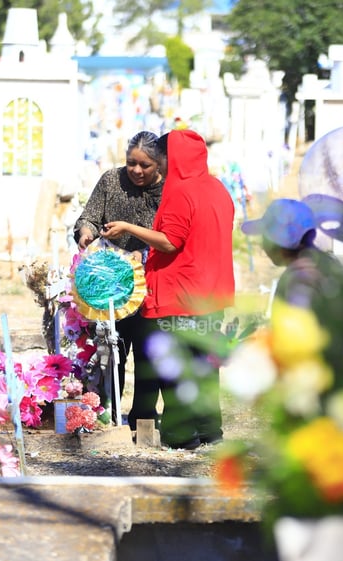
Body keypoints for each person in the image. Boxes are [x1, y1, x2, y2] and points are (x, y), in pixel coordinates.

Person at [102, 129, 235, 449]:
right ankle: (210, 431)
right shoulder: (217, 188)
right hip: (211, 292)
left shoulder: (181, 191)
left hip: (179, 292)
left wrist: (127, 227)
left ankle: (181, 435)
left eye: (164, 156)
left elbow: (170, 241)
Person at [72, 131, 165, 420]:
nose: (136, 170)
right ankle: (107, 414)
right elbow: (88, 216)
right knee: (111, 349)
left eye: (144, 165)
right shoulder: (112, 181)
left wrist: (145, 254)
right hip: (110, 282)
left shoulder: (168, 192)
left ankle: (143, 418)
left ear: (160, 163)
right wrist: (86, 231)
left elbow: (170, 236)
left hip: (151, 281)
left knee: (148, 352)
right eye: (131, 163)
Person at [241, 198, 343, 379]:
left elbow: (295, 343)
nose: (262, 245)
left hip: (320, 379)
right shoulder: (326, 262)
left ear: (278, 243)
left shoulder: (298, 278)